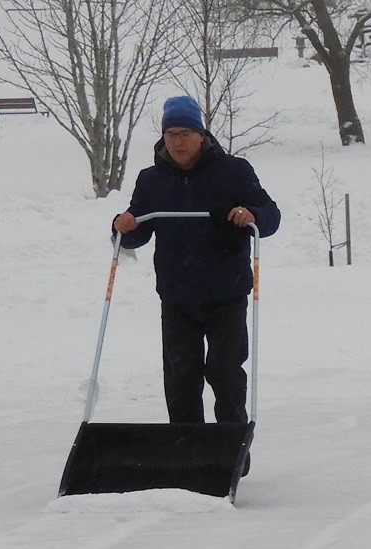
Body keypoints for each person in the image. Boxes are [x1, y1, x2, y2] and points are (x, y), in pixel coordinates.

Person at [111, 96, 280, 430]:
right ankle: (186, 448)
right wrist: (123, 225)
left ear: (201, 134)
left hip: (226, 294)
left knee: (225, 373)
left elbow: (270, 216)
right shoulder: (151, 179)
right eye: (171, 133)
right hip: (176, 298)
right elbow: (135, 234)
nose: (178, 141)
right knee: (181, 377)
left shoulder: (234, 171)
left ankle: (230, 445)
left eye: (185, 133)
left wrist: (252, 215)